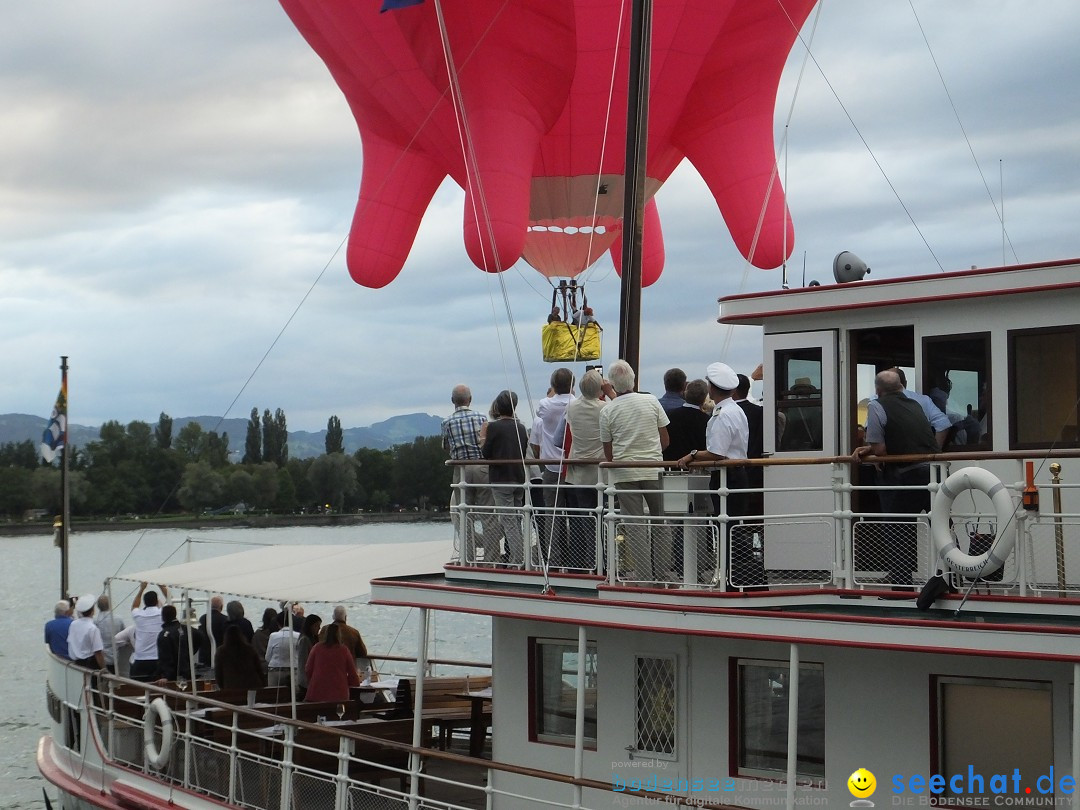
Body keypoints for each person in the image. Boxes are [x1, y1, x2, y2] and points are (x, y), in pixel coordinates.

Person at [676, 362, 764, 587]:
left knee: (728, 530)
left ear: (712, 389)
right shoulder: (735, 410)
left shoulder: (723, 415)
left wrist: (691, 456)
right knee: (732, 529)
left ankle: (743, 579)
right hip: (735, 475)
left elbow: (717, 452)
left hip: (727, 478)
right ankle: (741, 578)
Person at [856, 368, 940, 585]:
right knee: (941, 527)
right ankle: (954, 577)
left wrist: (868, 449)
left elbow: (880, 449)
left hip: (904, 475)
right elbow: (908, 436)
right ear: (901, 387)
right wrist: (871, 449)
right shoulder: (917, 404)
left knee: (897, 530)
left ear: (877, 389)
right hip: (932, 473)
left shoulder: (876, 406)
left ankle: (901, 585)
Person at [599, 359, 672, 583]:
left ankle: (644, 578)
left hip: (624, 472)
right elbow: (665, 440)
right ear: (634, 380)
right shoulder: (651, 401)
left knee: (635, 526)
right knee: (661, 522)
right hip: (653, 469)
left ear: (612, 384)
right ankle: (662, 573)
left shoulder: (607, 411)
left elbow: (608, 454)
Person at [561, 370, 611, 570]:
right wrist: (608, 390)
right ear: (600, 389)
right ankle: (605, 562)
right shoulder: (605, 408)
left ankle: (591, 561)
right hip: (601, 473)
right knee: (606, 520)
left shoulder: (571, 408)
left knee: (587, 522)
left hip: (579, 473)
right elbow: (619, 408)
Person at [441, 384, 496, 562]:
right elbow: (486, 443)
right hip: (481, 467)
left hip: (461, 470)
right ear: (470, 399)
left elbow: (445, 446)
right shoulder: (481, 417)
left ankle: (469, 558)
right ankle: (491, 560)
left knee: (465, 516)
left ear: (452, 401)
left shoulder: (447, 422)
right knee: (488, 516)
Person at [530, 368, 575, 568]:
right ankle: (578, 559)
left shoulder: (545, 406)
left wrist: (552, 393)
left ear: (554, 386)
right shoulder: (576, 404)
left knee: (552, 515)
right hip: (574, 468)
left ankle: (553, 559)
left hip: (551, 468)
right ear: (573, 384)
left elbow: (542, 410)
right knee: (577, 514)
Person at [482, 390, 531, 566]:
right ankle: (519, 556)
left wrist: (483, 437)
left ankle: (518, 559)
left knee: (508, 520)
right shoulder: (521, 427)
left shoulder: (494, 427)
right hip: (518, 477)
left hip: (501, 479)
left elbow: (485, 453)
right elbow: (524, 450)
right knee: (516, 519)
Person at [304, 623, 361, 704]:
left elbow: (308, 669)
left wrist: (313, 681)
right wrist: (352, 683)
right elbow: (352, 672)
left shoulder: (317, 648)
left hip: (317, 691)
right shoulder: (344, 650)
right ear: (339, 635)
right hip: (339, 693)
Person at [734, 373, 765, 517]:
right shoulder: (760, 412)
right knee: (758, 516)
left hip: (735, 471)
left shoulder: (728, 413)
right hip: (758, 470)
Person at [319, 605, 372, 678]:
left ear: (333, 617)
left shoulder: (324, 630)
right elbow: (363, 652)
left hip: (326, 672)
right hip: (347, 672)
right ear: (346, 617)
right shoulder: (354, 632)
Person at [156, 604, 205, 682]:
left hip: (172, 676)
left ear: (163, 617)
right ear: (175, 614)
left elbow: (165, 657)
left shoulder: (164, 634)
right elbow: (200, 636)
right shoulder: (187, 629)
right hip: (187, 671)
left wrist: (166, 675)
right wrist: (190, 651)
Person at [130, 582, 168, 682]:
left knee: (138, 689)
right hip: (158, 658)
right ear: (156, 602)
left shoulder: (139, 615)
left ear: (145, 603)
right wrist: (161, 585)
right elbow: (170, 599)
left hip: (141, 659)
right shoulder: (162, 613)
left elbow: (134, 606)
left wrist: (141, 589)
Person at [214, 625, 266, 691]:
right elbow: (259, 669)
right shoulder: (249, 649)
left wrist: (223, 687)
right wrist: (263, 684)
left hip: (231, 688)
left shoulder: (221, 651)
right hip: (253, 686)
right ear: (241, 635)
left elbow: (218, 674)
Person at [67, 594, 105, 670]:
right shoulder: (92, 628)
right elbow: (98, 652)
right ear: (93, 611)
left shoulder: (73, 624)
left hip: (77, 662)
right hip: (90, 664)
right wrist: (104, 668)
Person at [93, 594, 128, 675]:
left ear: (98, 606)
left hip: (98, 658)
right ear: (110, 605)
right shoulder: (118, 619)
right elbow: (125, 635)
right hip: (114, 657)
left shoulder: (94, 621)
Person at [264, 618, 301, 687]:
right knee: (294, 694)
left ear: (278, 624)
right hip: (293, 669)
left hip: (275, 669)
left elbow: (267, 657)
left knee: (273, 693)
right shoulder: (298, 635)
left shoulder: (273, 636)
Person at [295, 614, 323, 700]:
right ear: (310, 626)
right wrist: (307, 682)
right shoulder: (304, 640)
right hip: (305, 680)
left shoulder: (313, 639)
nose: (318, 628)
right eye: (316, 626)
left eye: (319, 626)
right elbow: (303, 662)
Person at [197, 595, 226, 670]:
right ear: (221, 607)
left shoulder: (203, 618)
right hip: (220, 655)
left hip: (204, 655)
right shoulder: (225, 619)